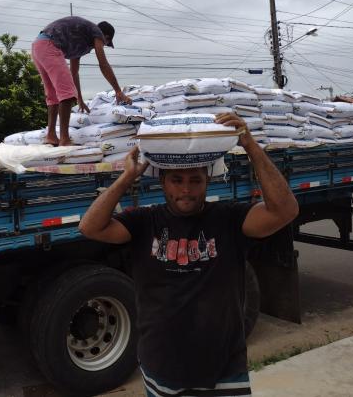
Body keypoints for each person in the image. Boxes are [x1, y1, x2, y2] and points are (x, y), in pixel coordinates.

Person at [79, 113, 299, 397]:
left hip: (223, 367)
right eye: (177, 180)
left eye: (195, 180)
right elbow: (90, 227)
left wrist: (250, 146)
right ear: (163, 183)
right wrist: (127, 177)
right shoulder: (143, 222)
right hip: (162, 365)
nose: (186, 189)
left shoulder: (230, 219)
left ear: (207, 181)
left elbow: (285, 210)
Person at [31, 16, 131, 146]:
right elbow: (103, 63)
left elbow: (74, 73)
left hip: (38, 46)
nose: (102, 45)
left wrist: (79, 99)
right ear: (105, 37)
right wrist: (118, 91)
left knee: (54, 95)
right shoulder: (96, 32)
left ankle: (51, 136)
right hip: (50, 46)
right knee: (66, 96)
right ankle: (65, 139)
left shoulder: (80, 39)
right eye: (105, 43)